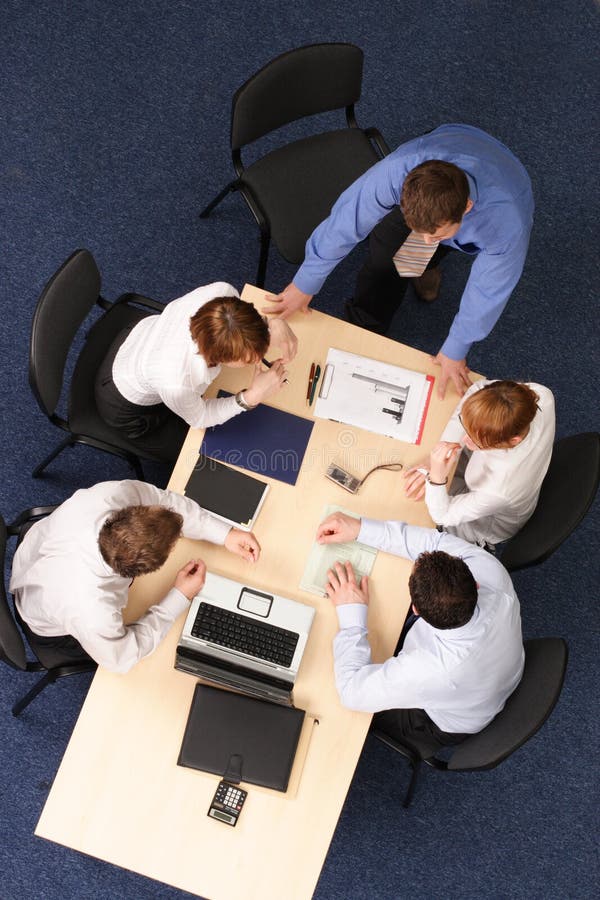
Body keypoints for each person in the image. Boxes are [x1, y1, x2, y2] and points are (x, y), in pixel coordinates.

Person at [266, 124, 534, 399]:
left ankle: (426, 264)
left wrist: (456, 348)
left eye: (436, 234)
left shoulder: (506, 224)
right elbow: (346, 221)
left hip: (504, 181)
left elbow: (488, 290)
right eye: (418, 229)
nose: (424, 239)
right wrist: (305, 283)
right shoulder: (397, 171)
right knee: (388, 258)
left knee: (423, 251)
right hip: (449, 146)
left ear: (466, 207)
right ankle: (367, 324)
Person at [316, 511, 524, 758]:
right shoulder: (490, 571)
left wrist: (351, 616)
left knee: (327, 696)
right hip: (491, 673)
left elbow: (351, 692)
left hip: (442, 719)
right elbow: (433, 543)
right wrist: (360, 529)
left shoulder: (434, 668)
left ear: (415, 611)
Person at [10, 480, 261, 674]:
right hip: (46, 621)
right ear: (139, 573)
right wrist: (180, 596)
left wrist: (224, 534)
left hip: (37, 553)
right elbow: (122, 658)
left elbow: (165, 500)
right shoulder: (94, 610)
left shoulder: (113, 496)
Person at [95, 282, 297, 456]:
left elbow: (240, 326)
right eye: (247, 360)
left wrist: (272, 324)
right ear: (217, 357)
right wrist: (250, 397)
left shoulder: (223, 292)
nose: (258, 360)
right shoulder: (177, 382)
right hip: (124, 404)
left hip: (140, 339)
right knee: (201, 451)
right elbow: (200, 418)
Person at [403, 379, 555, 548]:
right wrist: (442, 449)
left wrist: (436, 477)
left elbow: (442, 515)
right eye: (465, 428)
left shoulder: (499, 489)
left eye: (478, 441)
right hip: (480, 474)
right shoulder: (540, 394)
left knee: (410, 515)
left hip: (484, 521)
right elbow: (478, 388)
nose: (464, 439)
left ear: (513, 440)